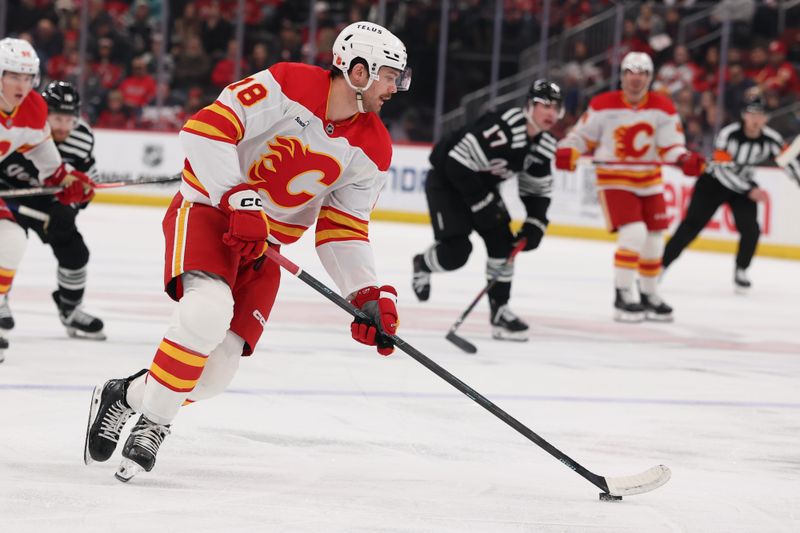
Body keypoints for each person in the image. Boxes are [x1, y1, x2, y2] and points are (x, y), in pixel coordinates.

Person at [83, 21, 410, 482]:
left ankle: (126, 395)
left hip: (266, 248)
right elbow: (204, 130)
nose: (396, 87)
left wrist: (366, 293)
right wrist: (239, 197)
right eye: (390, 75)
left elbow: (343, 227)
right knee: (205, 314)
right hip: (210, 214)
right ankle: (156, 423)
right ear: (358, 71)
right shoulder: (289, 83)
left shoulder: (374, 147)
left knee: (217, 372)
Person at [555, 51, 705, 323]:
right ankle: (623, 294)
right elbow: (581, 137)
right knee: (634, 233)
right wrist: (568, 149)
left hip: (649, 180)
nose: (636, 80)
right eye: (630, 74)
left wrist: (683, 159)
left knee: (655, 241)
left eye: (642, 75)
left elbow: (671, 146)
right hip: (614, 180)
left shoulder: (663, 107)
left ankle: (648, 293)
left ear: (649, 78)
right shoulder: (603, 104)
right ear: (622, 76)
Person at [411, 79, 564, 342]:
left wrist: (536, 222)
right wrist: (481, 203)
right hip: (448, 182)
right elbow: (455, 162)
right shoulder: (504, 128)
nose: (550, 113)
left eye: (555, 107)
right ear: (529, 106)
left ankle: (500, 311)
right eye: (544, 105)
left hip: (481, 186)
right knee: (456, 253)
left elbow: (536, 189)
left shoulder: (543, 145)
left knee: (504, 246)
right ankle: (423, 263)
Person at [0, 39, 96, 363]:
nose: (22, 85)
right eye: (14, 76)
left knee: (10, 240)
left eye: (28, 78)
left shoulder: (33, 109)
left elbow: (45, 157)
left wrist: (63, 179)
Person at [662, 92, 800, 292]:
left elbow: (790, 164)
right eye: (752, 114)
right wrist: (749, 189)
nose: (755, 119)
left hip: (742, 187)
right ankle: (660, 266)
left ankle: (741, 270)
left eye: (760, 115)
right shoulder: (729, 134)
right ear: (744, 115)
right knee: (690, 226)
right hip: (713, 184)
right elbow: (721, 170)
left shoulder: (771, 139)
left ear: (766, 118)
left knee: (751, 229)